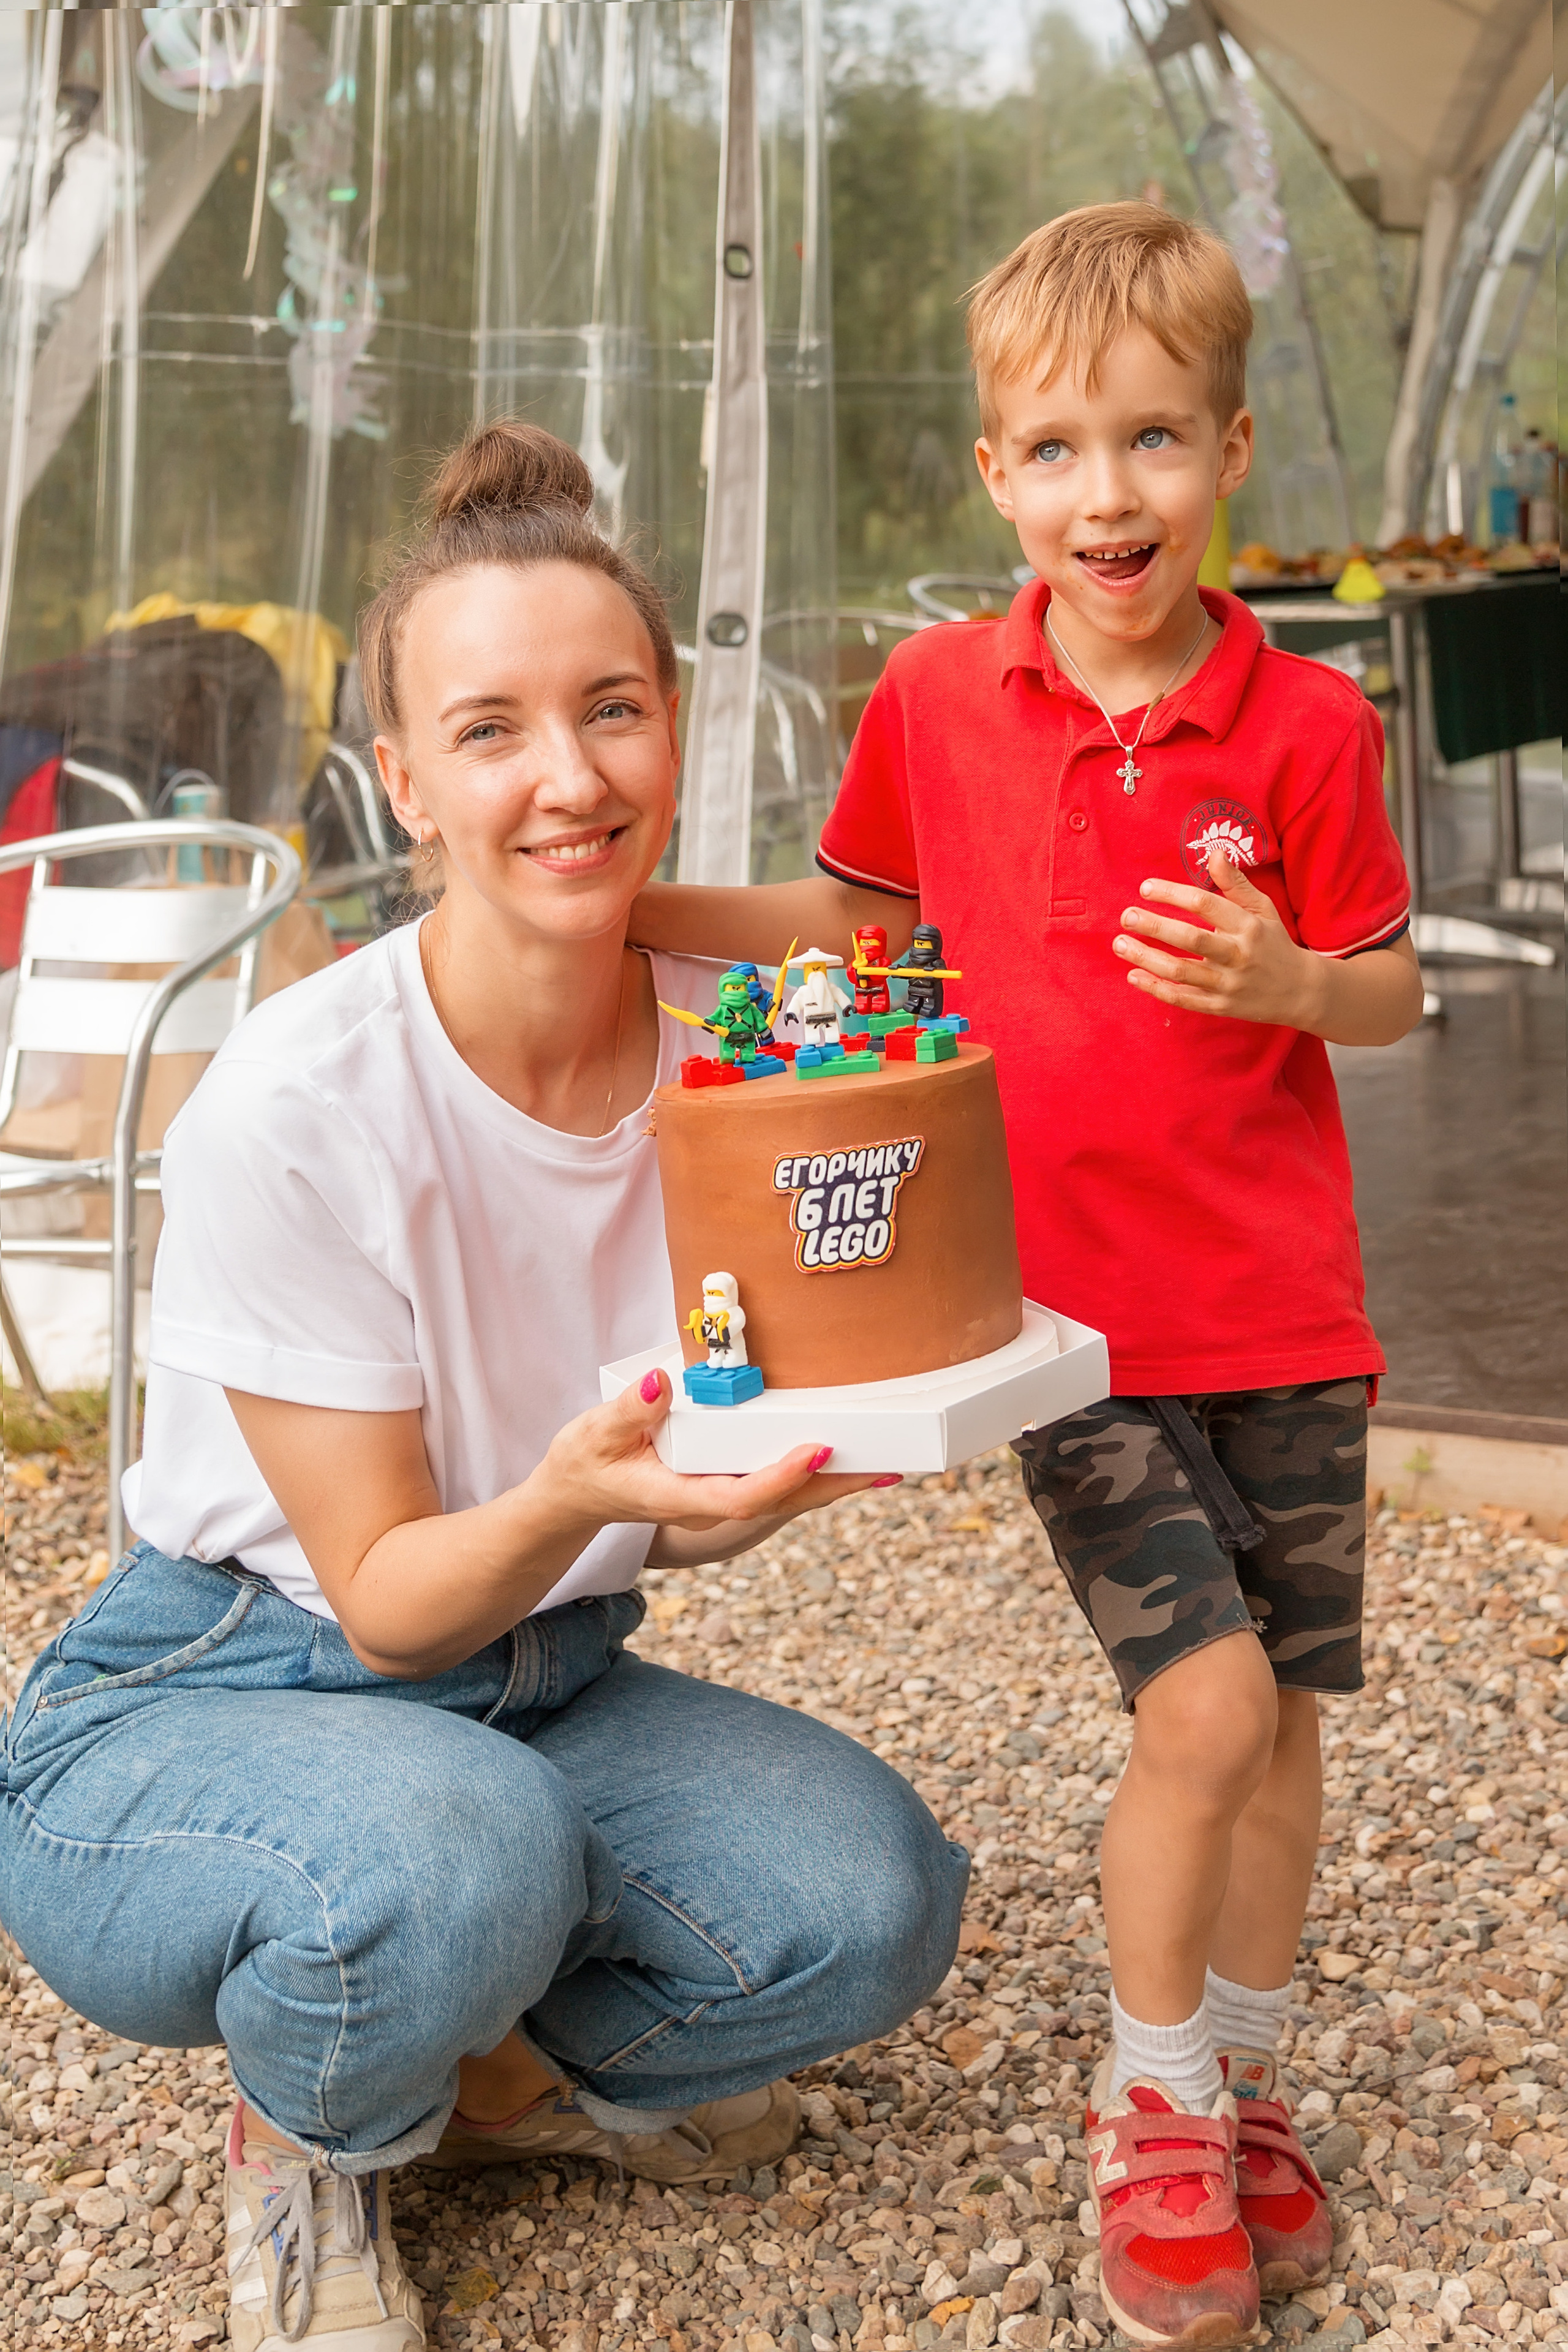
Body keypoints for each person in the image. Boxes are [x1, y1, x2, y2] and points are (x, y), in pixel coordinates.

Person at [2, 423, 968, 2352]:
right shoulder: (301, 1099)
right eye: (494, 732)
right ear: (404, 781)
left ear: (676, 727)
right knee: (463, 1859)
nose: (568, 777)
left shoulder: (732, 1056)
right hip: (224, 1685)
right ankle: (316, 2132)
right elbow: (386, 1597)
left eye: (613, 714)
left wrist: (624, 915)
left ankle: (492, 2084)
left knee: (878, 1901)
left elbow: (909, 943)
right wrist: (576, 1498)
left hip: (545, 1669)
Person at [630, 203, 1424, 2348]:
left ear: (1234, 450)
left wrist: (1291, 977)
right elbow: (845, 917)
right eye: (1059, 450)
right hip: (1060, 1329)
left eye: (1155, 442)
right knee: (1209, 1704)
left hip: (1287, 1317)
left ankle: (1241, 2076)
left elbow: (1391, 993)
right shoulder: (933, 698)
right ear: (995, 473)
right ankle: (1151, 2099)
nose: (1109, 494)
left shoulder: (1308, 730)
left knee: (1292, 1738)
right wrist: (642, 912)